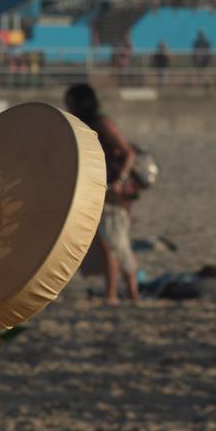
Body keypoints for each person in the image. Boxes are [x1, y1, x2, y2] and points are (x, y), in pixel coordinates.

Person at [64, 83, 140, 304]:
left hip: (112, 193)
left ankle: (118, 294)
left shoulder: (102, 124)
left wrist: (120, 180)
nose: (68, 106)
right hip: (97, 190)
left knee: (113, 242)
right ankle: (121, 293)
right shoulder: (83, 125)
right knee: (109, 243)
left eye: (70, 102)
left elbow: (129, 153)